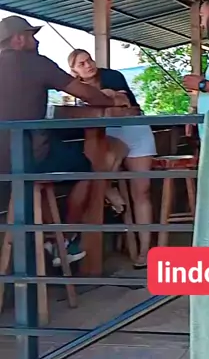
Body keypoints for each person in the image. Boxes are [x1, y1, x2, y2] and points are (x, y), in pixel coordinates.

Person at [0, 15, 129, 265]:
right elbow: (88, 95)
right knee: (86, 165)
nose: (36, 41)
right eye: (31, 36)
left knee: (38, 178)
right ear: (18, 40)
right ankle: (64, 239)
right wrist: (111, 98)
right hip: (27, 159)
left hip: (5, 164)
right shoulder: (36, 63)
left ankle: (50, 240)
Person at [67, 49, 156, 268]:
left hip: (135, 128)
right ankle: (110, 193)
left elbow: (123, 99)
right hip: (109, 133)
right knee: (96, 169)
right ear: (74, 71)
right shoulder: (75, 89)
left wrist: (107, 95)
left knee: (141, 191)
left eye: (89, 60)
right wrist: (106, 97)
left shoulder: (111, 75)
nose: (88, 65)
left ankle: (145, 250)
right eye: (81, 64)